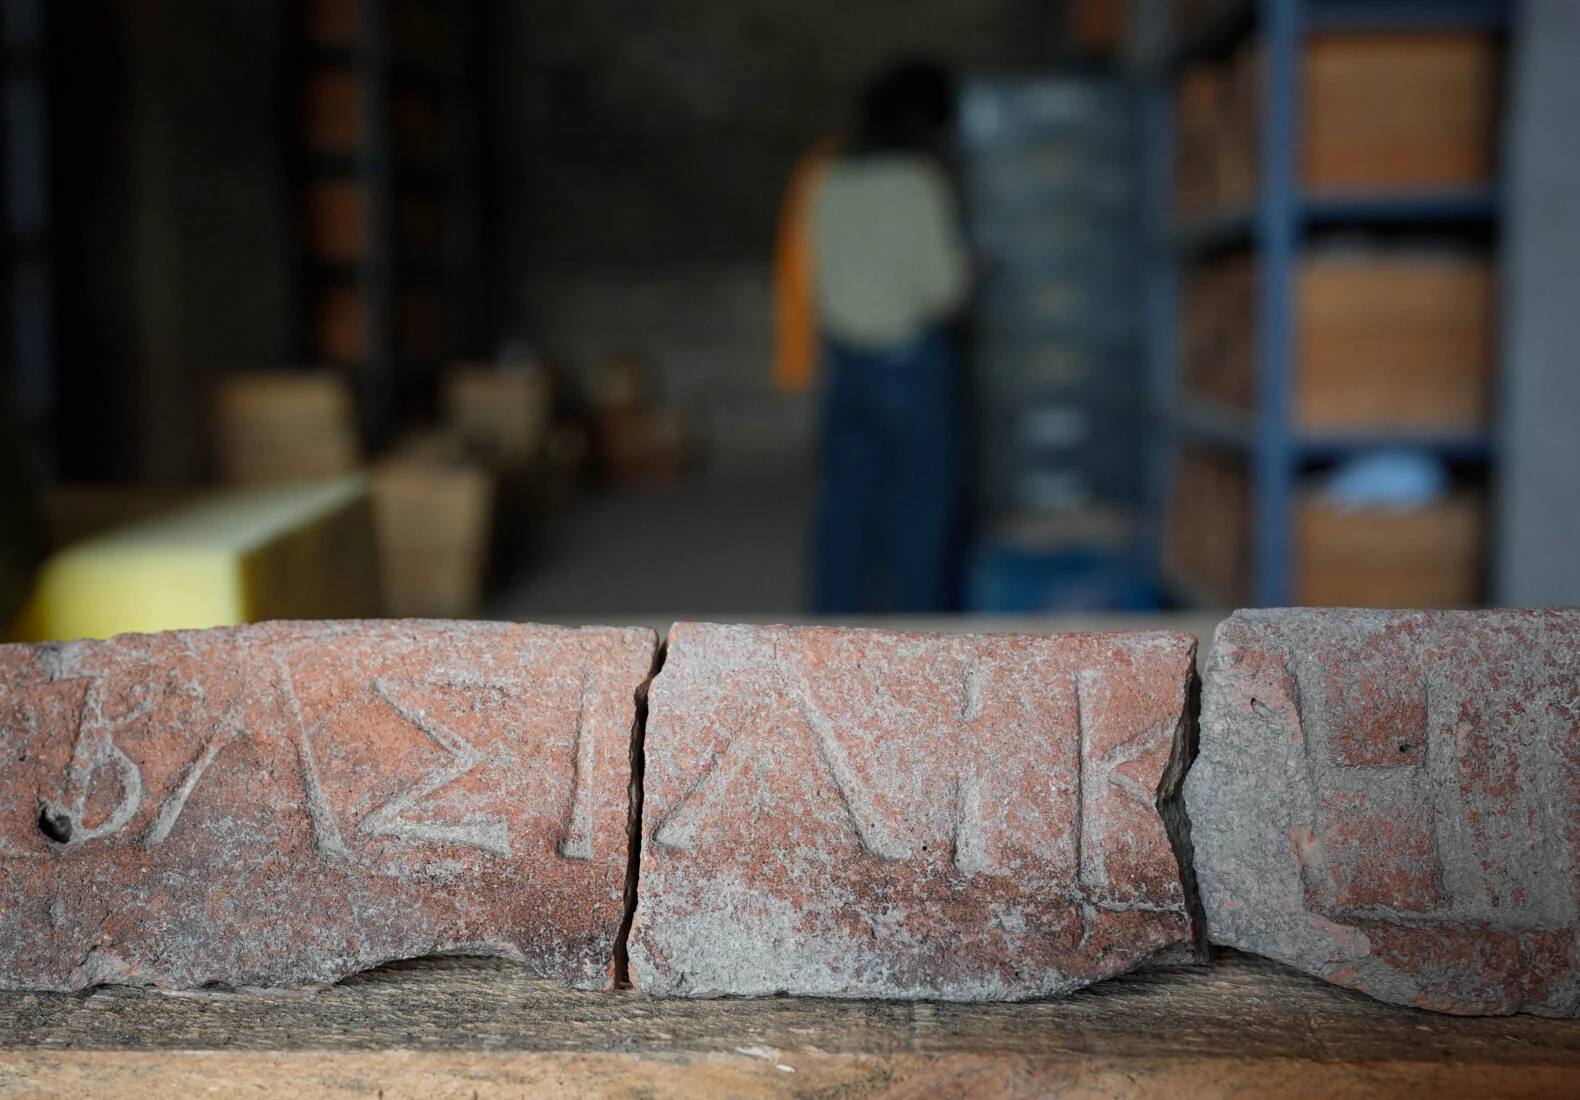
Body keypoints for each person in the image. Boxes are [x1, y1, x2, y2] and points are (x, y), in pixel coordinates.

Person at [774, 58, 971, 614]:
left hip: (847, 362)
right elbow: (943, 287)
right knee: (921, 511)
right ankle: (920, 640)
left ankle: (830, 636)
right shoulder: (918, 180)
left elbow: (811, 274)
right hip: (910, 361)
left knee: (845, 509)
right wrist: (970, 270)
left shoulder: (825, 178)